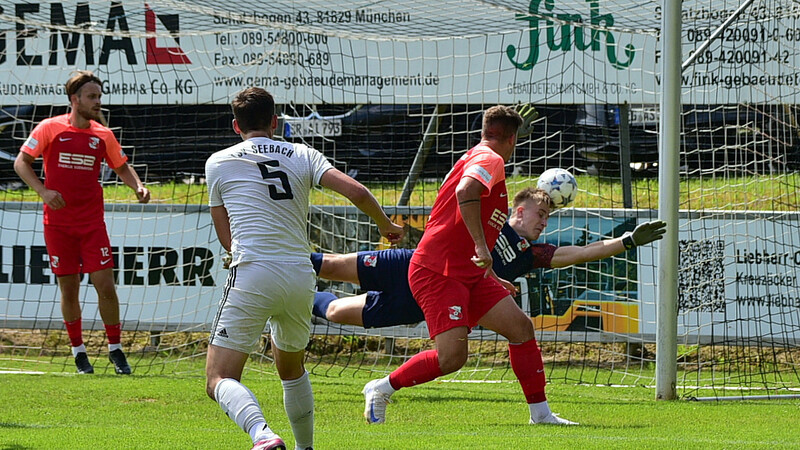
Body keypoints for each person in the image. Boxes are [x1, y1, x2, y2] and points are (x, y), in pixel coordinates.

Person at [204, 87, 404, 450]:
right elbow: (356, 191)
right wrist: (385, 224)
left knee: (218, 377)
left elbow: (226, 238)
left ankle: (262, 435)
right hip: (300, 275)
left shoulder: (218, 162)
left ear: (236, 126)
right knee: (291, 369)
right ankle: (305, 448)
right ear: (275, 121)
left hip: (252, 272)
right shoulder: (302, 153)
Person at [360, 104, 576, 427]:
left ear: (484, 131)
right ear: (512, 139)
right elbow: (466, 192)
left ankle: (541, 414)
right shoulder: (491, 159)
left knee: (520, 328)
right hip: (440, 270)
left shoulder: (477, 155)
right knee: (452, 358)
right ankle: (381, 388)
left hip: (468, 271)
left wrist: (488, 272)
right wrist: (479, 245)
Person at [310, 187, 666, 329]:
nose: (544, 222)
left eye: (548, 218)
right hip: (410, 263)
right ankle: (275, 265)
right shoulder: (488, 221)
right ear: (518, 210)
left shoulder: (531, 255)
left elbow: (583, 252)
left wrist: (628, 240)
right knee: (329, 265)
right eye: (540, 214)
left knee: (335, 311)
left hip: (423, 301)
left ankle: (298, 298)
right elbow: (470, 187)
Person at [14, 70, 150, 375]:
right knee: (69, 290)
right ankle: (79, 354)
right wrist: (44, 192)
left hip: (92, 225)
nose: (98, 102)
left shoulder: (103, 134)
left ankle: (116, 350)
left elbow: (122, 166)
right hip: (59, 225)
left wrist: (137, 187)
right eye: (92, 97)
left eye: (99, 96)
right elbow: (21, 162)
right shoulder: (50, 128)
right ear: (75, 99)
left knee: (106, 286)